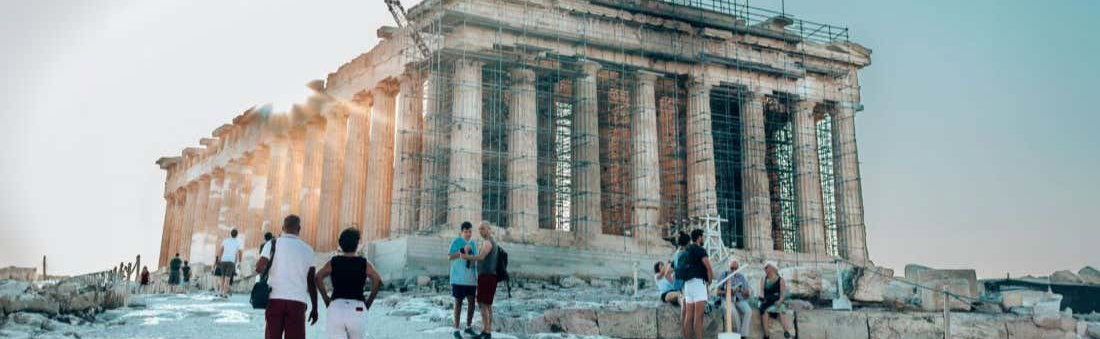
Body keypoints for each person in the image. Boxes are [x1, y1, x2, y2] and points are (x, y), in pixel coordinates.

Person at [256, 215, 319, 339]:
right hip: (297, 301)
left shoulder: (272, 244)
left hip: (274, 299)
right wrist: (315, 307)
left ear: (283, 227)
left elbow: (259, 268)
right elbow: (311, 282)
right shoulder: (308, 250)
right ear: (299, 229)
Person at [315, 228, 383, 339]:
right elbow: (377, 280)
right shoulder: (364, 263)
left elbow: (318, 277)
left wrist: (326, 298)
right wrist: (368, 302)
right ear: (357, 244)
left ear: (340, 244)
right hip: (357, 308)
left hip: (336, 306)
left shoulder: (334, 262)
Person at [677, 229, 713, 339]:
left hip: (688, 285)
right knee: (698, 317)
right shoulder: (700, 250)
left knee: (689, 316)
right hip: (698, 284)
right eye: (702, 237)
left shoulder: (686, 250)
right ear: (699, 238)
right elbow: (708, 268)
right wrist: (709, 281)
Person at [448, 222, 479, 339]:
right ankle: (456, 329)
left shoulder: (473, 243)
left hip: (471, 279)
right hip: (458, 279)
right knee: (458, 303)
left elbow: (475, 258)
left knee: (471, 303)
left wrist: (471, 255)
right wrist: (461, 251)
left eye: (470, 231)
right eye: (466, 231)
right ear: (462, 232)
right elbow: (449, 257)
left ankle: (468, 327)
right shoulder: (456, 241)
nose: (468, 234)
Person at [471, 222, 500, 339]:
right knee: (487, 305)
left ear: (489, 229)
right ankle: (487, 330)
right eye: (479, 229)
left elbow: (481, 257)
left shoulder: (488, 242)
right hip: (490, 276)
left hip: (487, 277)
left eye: (483, 229)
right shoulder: (492, 242)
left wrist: (468, 257)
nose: (481, 231)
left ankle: (486, 332)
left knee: (483, 304)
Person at [715, 259, 752, 337]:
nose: (734, 270)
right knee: (733, 312)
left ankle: (743, 335)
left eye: (736, 268)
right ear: (728, 267)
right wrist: (728, 291)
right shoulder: (724, 275)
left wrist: (740, 290)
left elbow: (747, 293)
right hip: (727, 299)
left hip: (739, 299)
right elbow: (717, 292)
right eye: (732, 268)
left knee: (748, 311)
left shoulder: (741, 277)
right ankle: (738, 334)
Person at [760, 261, 795, 339]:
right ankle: (766, 335)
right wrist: (762, 299)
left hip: (776, 301)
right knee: (764, 312)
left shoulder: (781, 280)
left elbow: (783, 294)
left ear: (772, 268)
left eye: (766, 267)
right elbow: (762, 291)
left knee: (781, 311)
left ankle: (787, 333)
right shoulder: (763, 279)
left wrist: (780, 301)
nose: (765, 269)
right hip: (767, 301)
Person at [217, 229, 243, 298]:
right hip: (231, 262)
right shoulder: (237, 242)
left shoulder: (225, 240)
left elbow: (221, 249)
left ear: (230, 234)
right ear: (237, 235)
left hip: (223, 260)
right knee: (227, 279)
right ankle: (224, 294)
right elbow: (240, 253)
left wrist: (219, 258)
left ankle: (220, 292)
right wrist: (239, 261)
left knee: (222, 277)